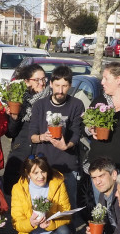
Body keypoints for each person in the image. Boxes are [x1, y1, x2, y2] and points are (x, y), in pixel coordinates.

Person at [29, 65, 84, 211]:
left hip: (68, 166)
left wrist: (67, 146)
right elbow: (32, 136)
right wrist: (42, 136)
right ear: (51, 84)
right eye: (57, 85)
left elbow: (77, 132)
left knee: (68, 209)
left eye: (65, 86)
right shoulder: (40, 105)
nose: (60, 90)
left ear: (70, 86)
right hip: (44, 166)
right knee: (42, 208)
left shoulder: (76, 105)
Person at [4, 64, 49, 194]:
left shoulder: (50, 101)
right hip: (20, 153)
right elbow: (10, 133)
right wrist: (14, 116)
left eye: (43, 79)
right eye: (37, 80)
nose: (41, 83)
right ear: (26, 82)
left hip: (41, 155)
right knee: (15, 194)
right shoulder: (19, 100)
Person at [78, 157, 118, 234]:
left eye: (101, 176)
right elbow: (107, 225)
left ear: (114, 174)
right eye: (94, 178)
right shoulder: (102, 195)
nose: (97, 182)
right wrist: (95, 231)